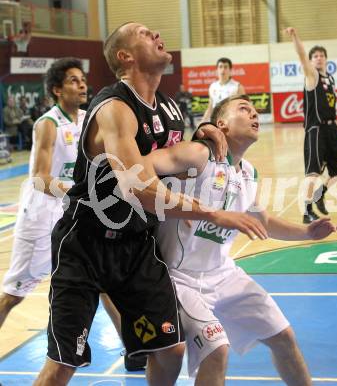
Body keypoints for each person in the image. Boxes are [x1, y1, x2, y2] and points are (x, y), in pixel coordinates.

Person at [34, 23, 268, 386]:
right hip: (87, 243)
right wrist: (209, 212)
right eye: (145, 34)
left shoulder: (171, 109)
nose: (158, 34)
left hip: (137, 244)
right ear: (125, 57)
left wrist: (200, 134)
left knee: (170, 348)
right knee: (64, 364)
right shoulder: (115, 108)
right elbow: (137, 188)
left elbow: (166, 157)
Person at [146, 94, 337, 386]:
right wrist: (175, 200)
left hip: (224, 274)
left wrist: (307, 233)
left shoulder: (249, 173)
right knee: (216, 350)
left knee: (284, 337)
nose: (254, 114)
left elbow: (263, 221)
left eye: (255, 110)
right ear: (220, 124)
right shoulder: (199, 154)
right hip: (179, 277)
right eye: (244, 109)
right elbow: (140, 167)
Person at [0, 58, 87, 329]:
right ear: (57, 90)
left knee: (98, 279)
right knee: (13, 295)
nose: (82, 83)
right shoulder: (47, 124)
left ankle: (133, 352)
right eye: (74, 80)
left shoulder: (88, 118)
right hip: (41, 216)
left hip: (71, 213)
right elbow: (39, 179)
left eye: (82, 78)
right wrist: (79, 192)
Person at [285, 27, 337, 224]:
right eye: (315, 56)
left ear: (326, 59)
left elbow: (328, 105)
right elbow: (301, 54)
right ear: (311, 60)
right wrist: (295, 36)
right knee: (313, 172)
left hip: (332, 129)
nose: (318, 58)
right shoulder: (311, 76)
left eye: (322, 55)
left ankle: (320, 195)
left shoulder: (330, 79)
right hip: (316, 130)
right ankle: (307, 211)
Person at [201, 57, 245, 122]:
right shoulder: (212, 86)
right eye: (220, 67)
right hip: (215, 122)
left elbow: (244, 107)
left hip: (231, 123)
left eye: (225, 67)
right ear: (217, 70)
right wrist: (202, 122)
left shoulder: (237, 87)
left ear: (230, 70)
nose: (223, 70)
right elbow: (210, 107)